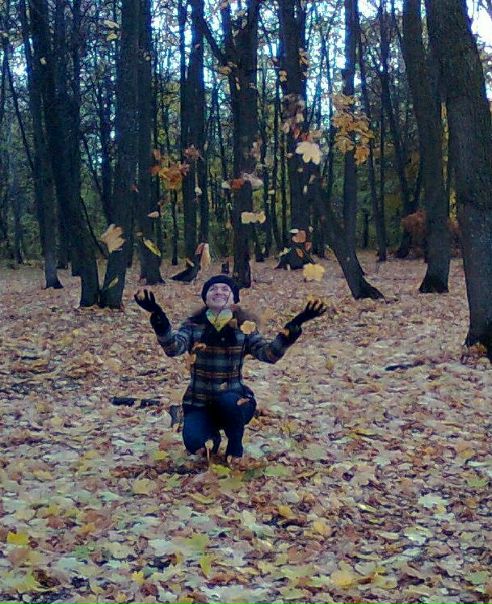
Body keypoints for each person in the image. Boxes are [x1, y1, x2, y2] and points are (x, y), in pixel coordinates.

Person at [135, 275, 327, 465]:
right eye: (213, 289)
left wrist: (293, 327)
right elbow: (173, 348)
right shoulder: (193, 325)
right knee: (198, 447)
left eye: (225, 289)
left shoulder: (244, 327)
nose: (219, 292)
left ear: (234, 299)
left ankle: (235, 446)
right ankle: (211, 436)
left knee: (228, 401)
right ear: (205, 298)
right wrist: (159, 318)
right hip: (198, 403)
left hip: (235, 402)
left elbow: (269, 354)